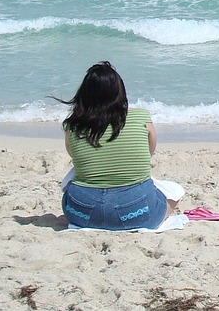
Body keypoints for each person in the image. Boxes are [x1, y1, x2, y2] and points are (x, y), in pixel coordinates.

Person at [55, 61, 183, 230]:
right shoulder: (141, 117)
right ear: (120, 92)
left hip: (82, 212)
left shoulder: (74, 125)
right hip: (136, 211)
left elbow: (75, 156)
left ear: (84, 94)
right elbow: (149, 152)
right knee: (174, 192)